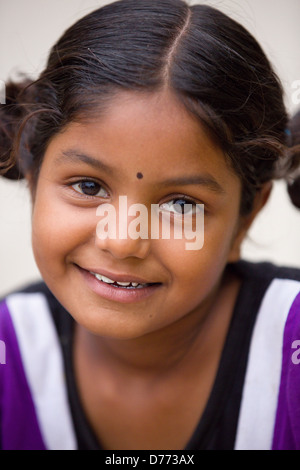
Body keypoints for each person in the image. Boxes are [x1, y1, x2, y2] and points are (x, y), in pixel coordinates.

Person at [0, 0, 300, 451]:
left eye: (180, 204)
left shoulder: (289, 347)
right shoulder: (11, 350)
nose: (122, 241)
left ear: (246, 215)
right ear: (34, 177)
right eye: (88, 185)